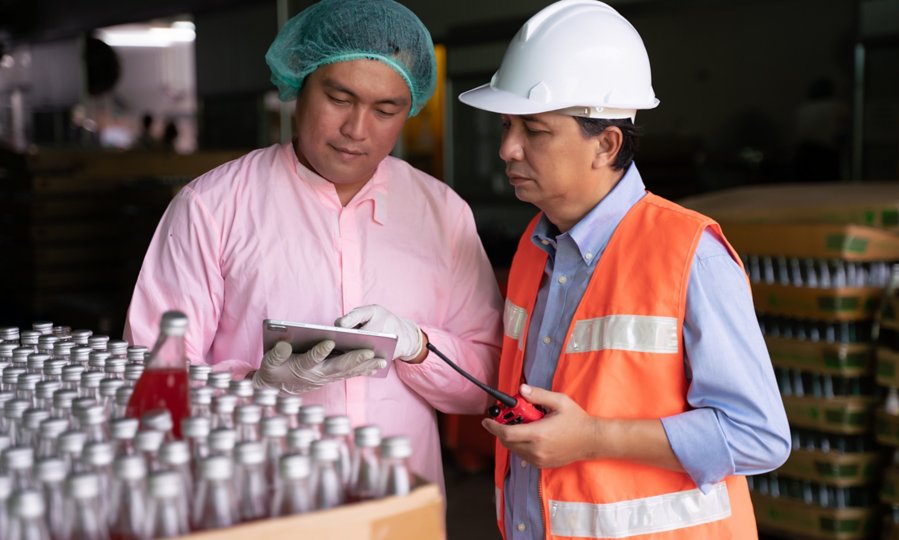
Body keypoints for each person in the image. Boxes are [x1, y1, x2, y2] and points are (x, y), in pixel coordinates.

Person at [124, 0, 503, 490]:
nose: (356, 130)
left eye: (386, 109)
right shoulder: (211, 207)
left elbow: (486, 381)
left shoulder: (442, 213)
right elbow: (154, 384)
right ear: (298, 84)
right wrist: (253, 388)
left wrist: (418, 347)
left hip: (397, 505)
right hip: (262, 502)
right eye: (340, 99)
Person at [458, 1, 790, 538]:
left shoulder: (689, 253)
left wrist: (593, 438)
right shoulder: (536, 244)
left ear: (606, 144)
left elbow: (758, 437)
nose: (507, 149)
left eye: (534, 130)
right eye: (505, 125)